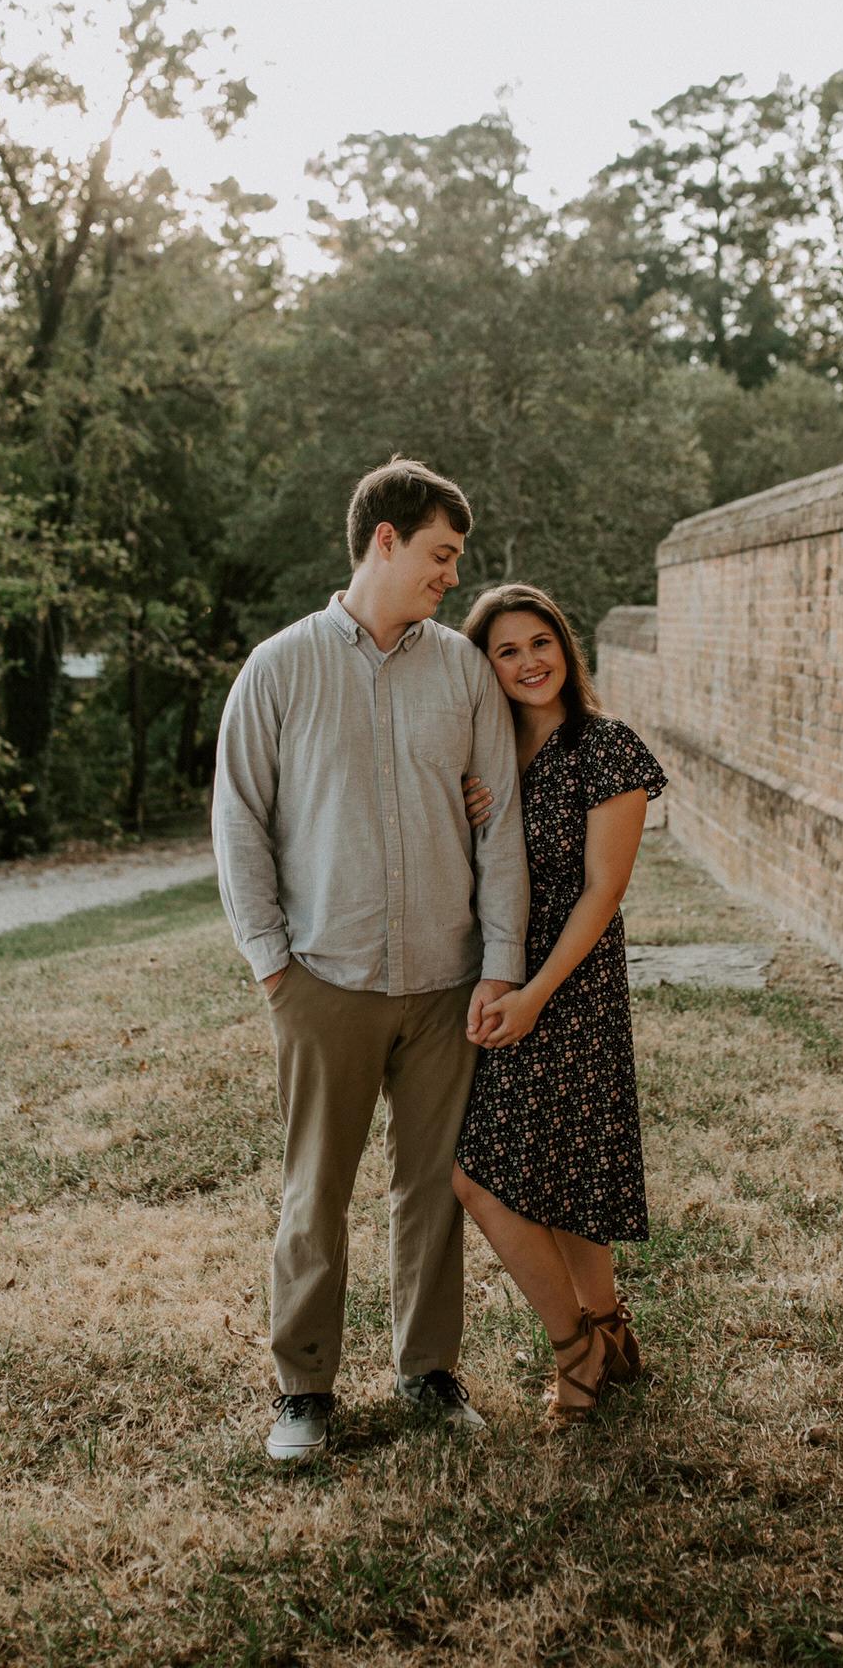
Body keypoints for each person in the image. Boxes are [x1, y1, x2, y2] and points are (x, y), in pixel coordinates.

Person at [211, 459, 529, 1464]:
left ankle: (428, 1371)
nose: (449, 577)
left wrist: (501, 961)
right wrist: (272, 963)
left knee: (431, 1185)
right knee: (316, 1188)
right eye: (439, 555)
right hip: (324, 980)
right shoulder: (277, 666)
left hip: (445, 981)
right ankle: (303, 1388)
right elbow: (237, 823)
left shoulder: (461, 671)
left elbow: (501, 823)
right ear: (384, 540)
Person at [452, 583, 666, 1422]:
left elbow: (601, 893)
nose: (529, 661)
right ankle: (608, 1330)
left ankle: (574, 1349)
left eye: (541, 642)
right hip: (503, 979)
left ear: (566, 650)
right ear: (487, 666)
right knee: (558, 1170)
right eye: (507, 650)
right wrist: (468, 803)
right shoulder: (488, 756)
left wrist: (538, 994)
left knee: (482, 1181)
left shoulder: (605, 748)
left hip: (570, 989)